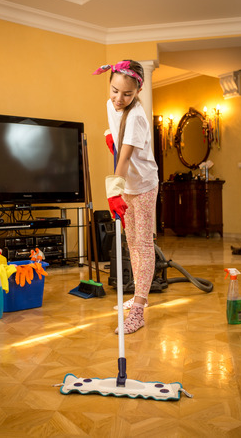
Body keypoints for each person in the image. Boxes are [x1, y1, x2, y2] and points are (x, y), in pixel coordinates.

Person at [93, 60, 159, 334]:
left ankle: (139, 310)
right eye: (114, 90)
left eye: (127, 94)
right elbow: (114, 125)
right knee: (131, 243)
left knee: (142, 245)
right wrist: (110, 136)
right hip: (127, 183)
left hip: (142, 185)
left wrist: (113, 193)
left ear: (138, 92)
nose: (119, 99)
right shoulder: (112, 105)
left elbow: (124, 159)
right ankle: (137, 295)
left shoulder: (137, 117)